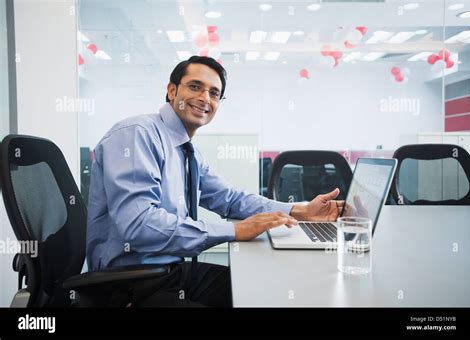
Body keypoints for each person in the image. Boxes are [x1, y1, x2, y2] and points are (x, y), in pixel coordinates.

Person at [86, 56, 343, 307]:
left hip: (172, 272)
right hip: (131, 285)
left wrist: (300, 210)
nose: (204, 98)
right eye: (195, 86)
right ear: (172, 90)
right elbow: (139, 226)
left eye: (214, 93)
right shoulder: (137, 135)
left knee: (262, 289)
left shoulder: (187, 150)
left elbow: (230, 199)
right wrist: (234, 231)